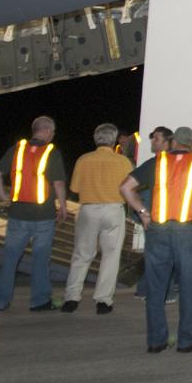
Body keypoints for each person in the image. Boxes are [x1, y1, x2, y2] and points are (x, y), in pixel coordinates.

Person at [120, 126, 192, 353]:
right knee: (189, 286)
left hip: (157, 230)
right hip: (186, 231)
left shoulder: (156, 163)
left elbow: (126, 187)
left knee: (156, 286)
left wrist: (142, 211)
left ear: (173, 142)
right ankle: (188, 340)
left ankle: (156, 341)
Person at [0, 115, 68, 312]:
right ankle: (39, 301)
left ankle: (1, 301)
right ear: (48, 131)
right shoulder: (52, 152)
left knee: (10, 259)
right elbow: (58, 183)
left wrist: (3, 196)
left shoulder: (17, 149)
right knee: (41, 259)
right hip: (43, 216)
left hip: (17, 214)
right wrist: (63, 207)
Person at [61, 123, 135, 314]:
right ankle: (103, 301)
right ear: (113, 140)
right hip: (113, 210)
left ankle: (71, 298)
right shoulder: (123, 162)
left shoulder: (83, 160)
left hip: (88, 210)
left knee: (82, 255)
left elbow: (75, 189)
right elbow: (130, 188)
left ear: (96, 139)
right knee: (111, 256)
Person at [132, 126, 178, 302]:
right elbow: (128, 186)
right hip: (156, 216)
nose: (152, 141)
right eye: (152, 138)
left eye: (156, 139)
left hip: (162, 214)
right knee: (163, 255)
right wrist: (142, 210)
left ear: (167, 142)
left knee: (155, 254)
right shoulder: (154, 163)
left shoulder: (165, 163)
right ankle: (165, 293)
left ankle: (145, 289)